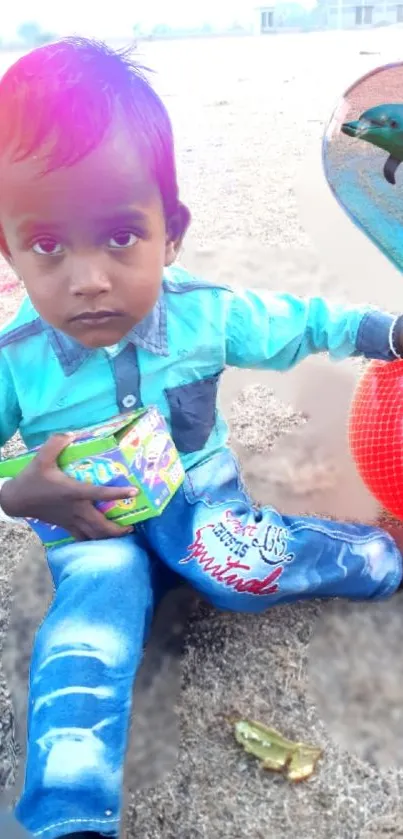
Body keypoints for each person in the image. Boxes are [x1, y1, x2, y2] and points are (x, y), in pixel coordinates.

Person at [0, 37, 401, 839]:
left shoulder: (203, 312)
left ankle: (375, 557)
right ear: (8, 249)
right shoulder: (15, 359)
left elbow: (300, 322)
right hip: (87, 523)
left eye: (120, 236)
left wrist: (386, 330)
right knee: (96, 605)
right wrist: (19, 489)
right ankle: (66, 816)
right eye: (48, 245)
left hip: (200, 496)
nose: (88, 278)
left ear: (170, 232)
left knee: (231, 563)